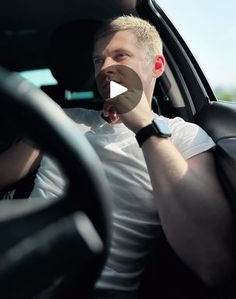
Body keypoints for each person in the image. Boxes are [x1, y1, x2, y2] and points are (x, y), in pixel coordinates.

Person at [0, 15, 235, 298]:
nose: (105, 68)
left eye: (120, 56)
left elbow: (215, 264)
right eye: (99, 61)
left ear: (157, 66)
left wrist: (144, 125)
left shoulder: (183, 135)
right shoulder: (62, 119)